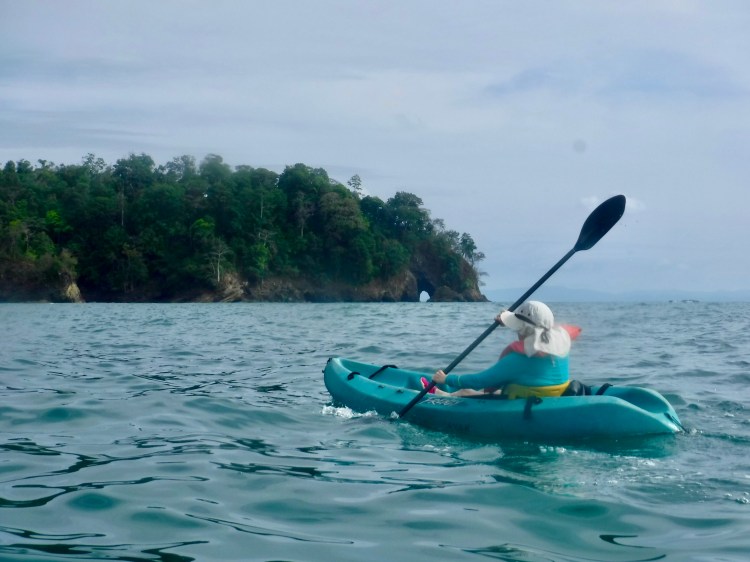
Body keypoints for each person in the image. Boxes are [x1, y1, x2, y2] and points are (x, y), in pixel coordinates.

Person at [426, 301, 581, 399]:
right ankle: (446, 393)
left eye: (517, 327)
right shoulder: (561, 345)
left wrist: (447, 379)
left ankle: (443, 395)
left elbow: (480, 381)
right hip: (549, 398)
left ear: (522, 329)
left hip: (522, 402)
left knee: (464, 392)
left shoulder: (518, 359)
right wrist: (507, 320)